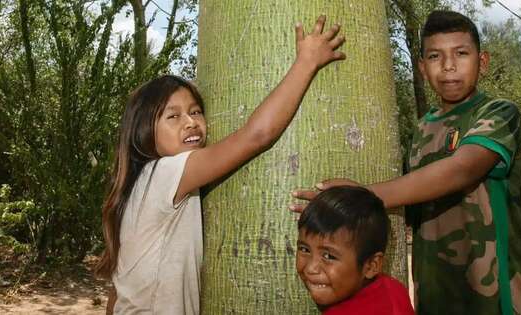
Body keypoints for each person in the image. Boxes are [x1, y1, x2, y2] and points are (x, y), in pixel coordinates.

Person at [94, 16, 346, 315]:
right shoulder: (166, 172)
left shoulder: (139, 186)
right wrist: (306, 62)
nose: (191, 122)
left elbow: (116, 293)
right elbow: (257, 135)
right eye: (173, 117)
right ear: (143, 132)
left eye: (196, 111)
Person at [291, 10, 521, 315]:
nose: (448, 66)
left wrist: (364, 195)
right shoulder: (423, 128)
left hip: (495, 295)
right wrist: (339, 215)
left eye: (461, 53)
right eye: (435, 56)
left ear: (482, 62)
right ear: (421, 68)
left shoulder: (499, 112)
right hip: (434, 293)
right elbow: (418, 200)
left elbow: (462, 169)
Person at [296, 186, 414, 315]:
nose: (311, 268)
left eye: (328, 256)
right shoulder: (394, 289)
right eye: (304, 249)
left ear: (371, 266)